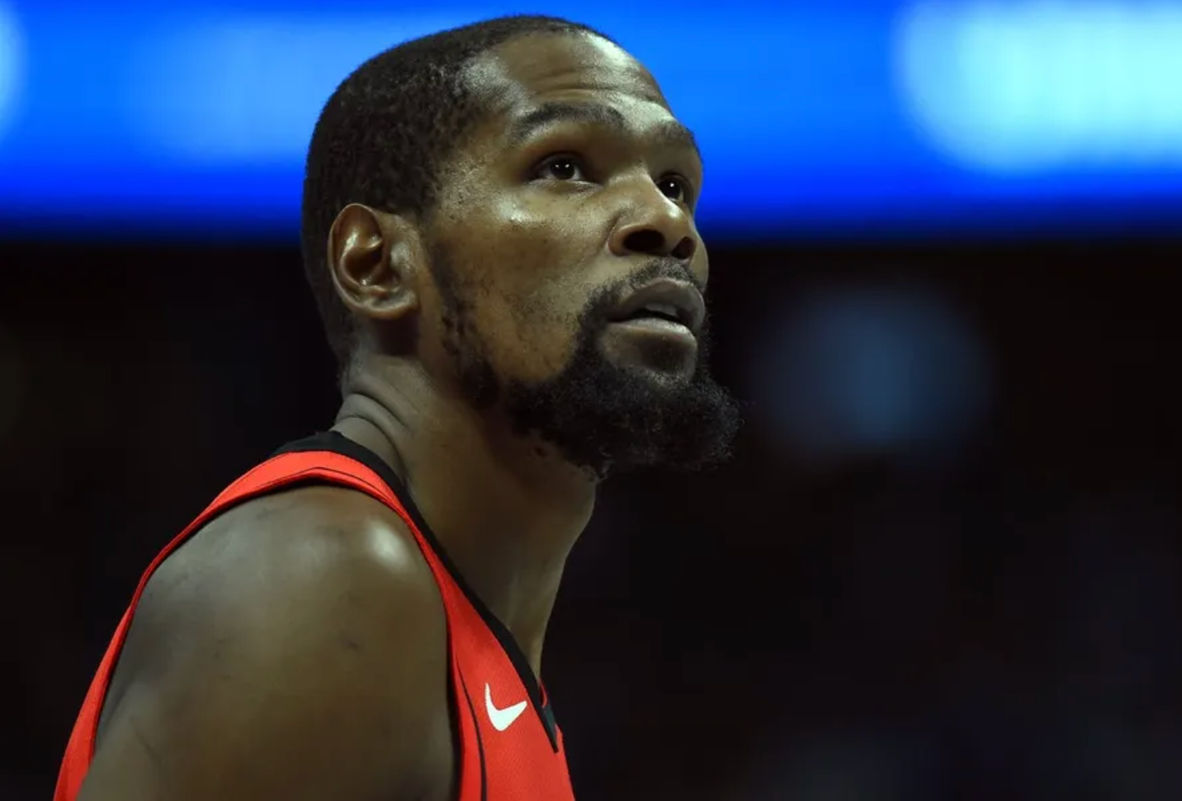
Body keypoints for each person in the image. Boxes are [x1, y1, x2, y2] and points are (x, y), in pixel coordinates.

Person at [56, 14, 740, 801]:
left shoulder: (457, 630)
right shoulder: (324, 577)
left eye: (676, 184)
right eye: (564, 166)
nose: (668, 222)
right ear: (376, 264)